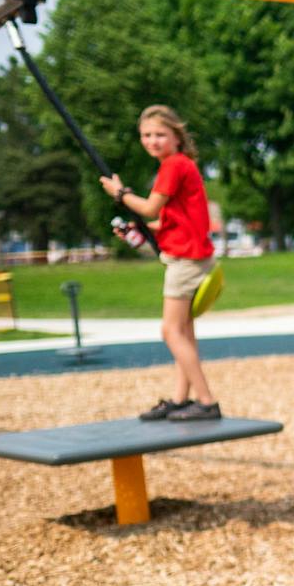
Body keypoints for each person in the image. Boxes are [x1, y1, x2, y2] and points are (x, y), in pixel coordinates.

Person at [101, 105, 219, 421]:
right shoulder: (181, 165)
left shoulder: (173, 165)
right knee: (183, 331)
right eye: (146, 135)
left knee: (170, 331)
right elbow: (168, 221)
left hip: (186, 261)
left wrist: (120, 193)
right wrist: (135, 229)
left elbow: (151, 208)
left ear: (176, 136)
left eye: (160, 134)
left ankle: (206, 401)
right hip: (193, 255)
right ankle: (182, 398)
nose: (152, 140)